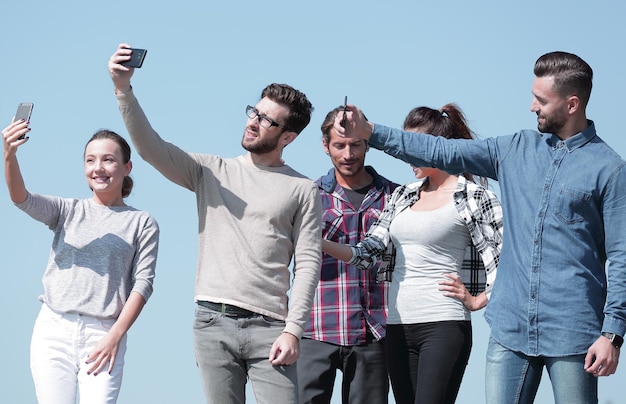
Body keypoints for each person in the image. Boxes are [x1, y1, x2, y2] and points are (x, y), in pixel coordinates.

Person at [336, 51, 626, 403]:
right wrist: (370, 132)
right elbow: (439, 151)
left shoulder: (608, 169)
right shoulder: (514, 149)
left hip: (573, 329)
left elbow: (621, 256)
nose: (532, 106)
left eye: (541, 100)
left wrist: (612, 334)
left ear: (572, 104)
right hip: (510, 328)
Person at [108, 43, 322, 404]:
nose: (253, 121)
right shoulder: (211, 171)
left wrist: (294, 331)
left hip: (272, 328)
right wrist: (122, 88)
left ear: (288, 137)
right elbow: (150, 148)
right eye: (255, 111)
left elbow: (309, 263)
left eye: (267, 119)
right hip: (212, 323)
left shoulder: (303, 189)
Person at [323, 103, 503, 404]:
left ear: (437, 148)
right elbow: (367, 253)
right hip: (397, 326)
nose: (406, 155)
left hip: (444, 324)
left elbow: (508, 256)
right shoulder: (403, 195)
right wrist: (319, 242)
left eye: (414, 147)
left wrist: (479, 299)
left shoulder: (473, 196)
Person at [3, 121, 159, 404]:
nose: (98, 167)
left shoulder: (142, 223)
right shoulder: (66, 210)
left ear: (126, 168)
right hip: (53, 329)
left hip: (104, 333)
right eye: (90, 160)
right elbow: (21, 198)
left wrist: (115, 336)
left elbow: (143, 284)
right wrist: (9, 155)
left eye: (108, 160)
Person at [297, 106, 398, 404]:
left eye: (356, 144)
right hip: (315, 327)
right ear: (325, 145)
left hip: (375, 331)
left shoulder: (395, 196)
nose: (348, 154)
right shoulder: (306, 196)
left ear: (367, 143)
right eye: (339, 145)